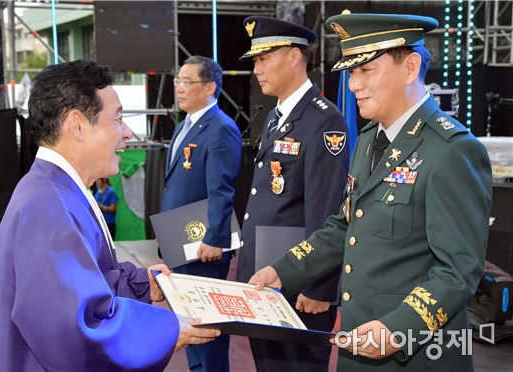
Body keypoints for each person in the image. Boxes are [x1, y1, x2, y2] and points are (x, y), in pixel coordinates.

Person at [250, 13, 492, 371]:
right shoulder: (368, 140)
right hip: (359, 344)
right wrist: (284, 271)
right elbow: (344, 226)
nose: (353, 85)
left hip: (414, 352)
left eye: (367, 71)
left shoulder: (451, 149)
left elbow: (459, 269)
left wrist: (398, 329)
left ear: (410, 68)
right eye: (352, 72)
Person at [0, 60, 220, 372]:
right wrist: (166, 330)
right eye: (118, 119)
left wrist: (141, 285)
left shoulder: (56, 190)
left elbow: (83, 283)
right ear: (77, 125)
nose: (128, 133)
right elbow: (76, 326)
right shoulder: (47, 208)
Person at [237, 16, 349, 371]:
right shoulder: (276, 116)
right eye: (254, 61)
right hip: (267, 276)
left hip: (298, 284)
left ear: (293, 56)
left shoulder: (323, 120)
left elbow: (329, 210)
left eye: (264, 58)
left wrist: (320, 287)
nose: (257, 69)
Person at [160, 55, 242, 372]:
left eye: (186, 82)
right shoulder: (184, 125)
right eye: (178, 81)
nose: (178, 88)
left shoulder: (221, 128)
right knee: (190, 324)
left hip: (203, 247)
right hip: (180, 239)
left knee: (209, 329)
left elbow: (221, 188)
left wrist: (215, 238)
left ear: (209, 88)